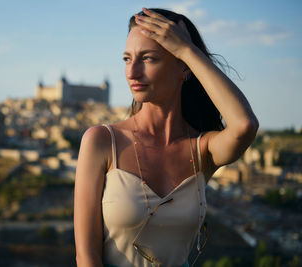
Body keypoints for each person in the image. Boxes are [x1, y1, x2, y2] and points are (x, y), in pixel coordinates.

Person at [74, 7, 259, 267]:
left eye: (148, 58)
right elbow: (86, 256)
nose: (132, 72)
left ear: (183, 67)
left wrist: (187, 50)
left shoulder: (202, 149)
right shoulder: (102, 141)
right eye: (127, 59)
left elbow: (244, 126)